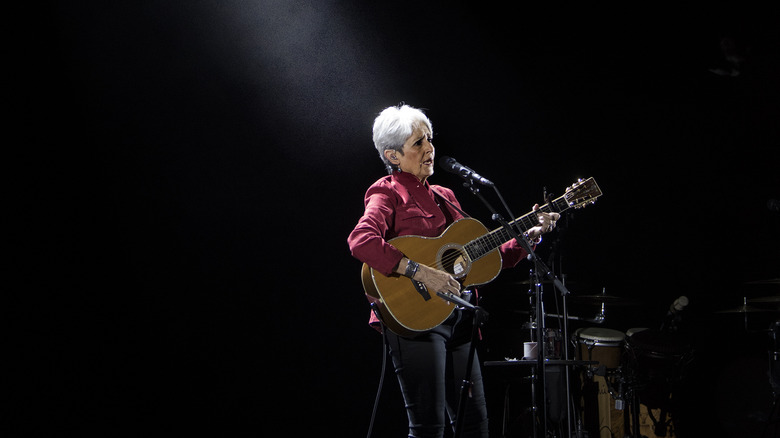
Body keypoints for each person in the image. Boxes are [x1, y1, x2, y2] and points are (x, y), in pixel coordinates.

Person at [347, 104, 559, 438]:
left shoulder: (446, 196)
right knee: (429, 428)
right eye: (418, 143)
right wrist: (420, 272)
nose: (429, 148)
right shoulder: (386, 191)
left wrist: (530, 235)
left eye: (429, 139)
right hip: (416, 322)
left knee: (476, 425)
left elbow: (484, 259)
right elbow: (361, 241)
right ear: (393, 155)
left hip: (460, 318)